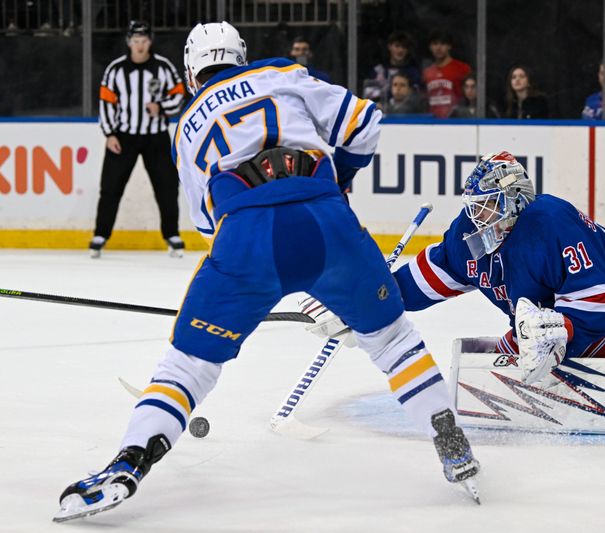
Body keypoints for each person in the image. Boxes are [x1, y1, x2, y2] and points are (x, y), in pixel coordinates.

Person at [53, 21, 479, 522]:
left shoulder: (186, 125)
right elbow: (366, 123)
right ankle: (448, 438)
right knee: (390, 340)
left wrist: (256, 278)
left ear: (192, 72)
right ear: (241, 55)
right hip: (327, 221)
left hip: (247, 240)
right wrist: (337, 182)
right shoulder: (282, 72)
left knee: (187, 366)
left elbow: (208, 220)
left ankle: (128, 464)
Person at [339, 152, 605, 439]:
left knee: (531, 346)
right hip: (556, 315)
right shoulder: (469, 234)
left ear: (516, 199)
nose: (478, 216)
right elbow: (426, 279)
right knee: (513, 352)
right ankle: (556, 368)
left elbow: (601, 305)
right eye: (474, 206)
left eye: (489, 205)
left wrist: (555, 339)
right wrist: (367, 302)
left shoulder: (549, 221)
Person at [89, 20, 187, 258]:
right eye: (135, 41)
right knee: (110, 188)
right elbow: (106, 102)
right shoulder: (115, 70)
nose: (140, 46)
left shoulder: (163, 67)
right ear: (129, 43)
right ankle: (100, 235)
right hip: (123, 137)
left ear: (150, 42)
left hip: (156, 136)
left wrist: (161, 107)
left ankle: (172, 235)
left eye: (143, 41)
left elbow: (179, 93)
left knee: (167, 187)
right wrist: (110, 133)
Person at [363, 30, 422, 106]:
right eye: (397, 46)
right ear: (389, 46)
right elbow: (369, 96)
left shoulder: (413, 73)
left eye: (404, 47)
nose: (400, 50)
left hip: (406, 114)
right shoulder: (378, 71)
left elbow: (416, 98)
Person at [423, 30, 472, 119]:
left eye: (443, 44)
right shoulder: (427, 72)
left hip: (456, 120)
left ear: (449, 46)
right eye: (435, 44)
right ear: (430, 47)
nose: (438, 48)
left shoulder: (463, 69)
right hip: (432, 121)